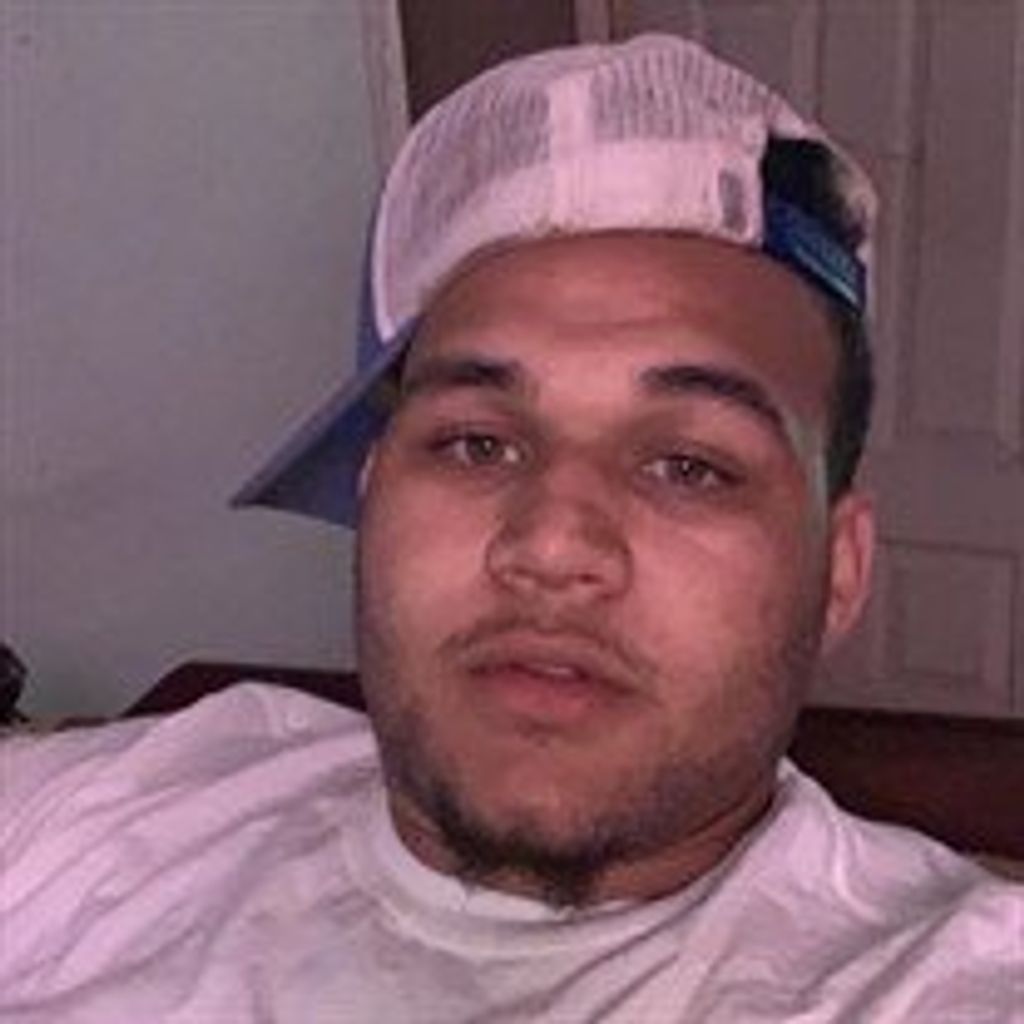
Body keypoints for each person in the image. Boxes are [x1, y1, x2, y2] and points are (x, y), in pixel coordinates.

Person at [0, 34, 1019, 1024]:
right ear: (373, 496)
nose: (550, 546)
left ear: (837, 571)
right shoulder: (123, 800)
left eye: (689, 466)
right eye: (476, 444)